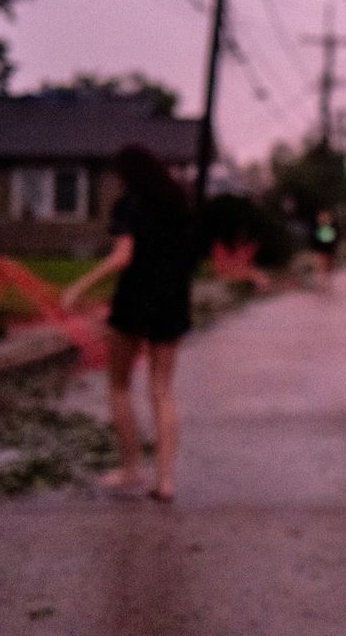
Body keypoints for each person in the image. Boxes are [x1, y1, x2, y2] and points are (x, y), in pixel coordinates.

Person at [62, 146, 199, 502]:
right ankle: (166, 481)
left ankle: (131, 468)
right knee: (162, 390)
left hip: (135, 300)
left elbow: (124, 256)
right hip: (172, 301)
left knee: (119, 385)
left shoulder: (129, 205)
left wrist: (79, 287)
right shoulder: (180, 203)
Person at [308, 210, 341, 288]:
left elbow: (336, 239)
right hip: (319, 251)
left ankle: (327, 282)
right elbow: (313, 240)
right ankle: (321, 283)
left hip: (330, 251)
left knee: (329, 268)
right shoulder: (316, 228)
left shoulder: (333, 228)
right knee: (320, 267)